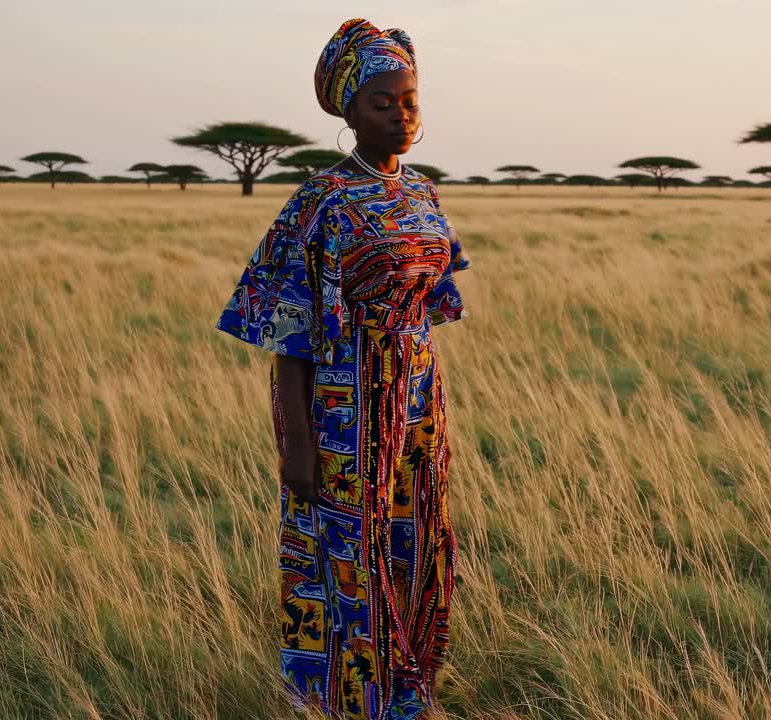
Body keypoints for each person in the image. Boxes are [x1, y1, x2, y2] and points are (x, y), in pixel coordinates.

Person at [215, 17, 471, 719]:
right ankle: (343, 698)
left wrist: (423, 403)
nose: (400, 113)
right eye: (381, 101)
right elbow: (288, 334)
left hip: (418, 397)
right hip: (342, 401)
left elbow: (433, 304)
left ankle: (410, 689)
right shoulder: (320, 201)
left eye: (409, 98)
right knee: (347, 551)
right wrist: (296, 443)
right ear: (349, 111)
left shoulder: (421, 193)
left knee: (415, 540)